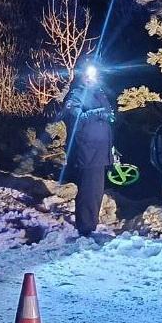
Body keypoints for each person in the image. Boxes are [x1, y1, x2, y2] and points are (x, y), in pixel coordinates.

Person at [61, 59, 114, 236]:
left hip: (100, 152)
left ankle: (91, 223)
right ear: (82, 76)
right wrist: (98, 113)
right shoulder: (75, 94)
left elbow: (109, 119)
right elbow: (77, 118)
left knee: (96, 191)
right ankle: (85, 227)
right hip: (87, 152)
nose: (90, 79)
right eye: (87, 75)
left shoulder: (99, 94)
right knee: (88, 191)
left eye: (93, 76)